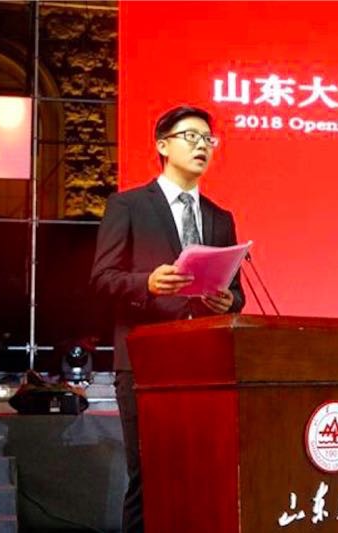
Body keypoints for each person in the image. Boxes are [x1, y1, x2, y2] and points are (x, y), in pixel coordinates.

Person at [90, 105, 245, 533]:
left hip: (206, 364)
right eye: (191, 136)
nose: (202, 146)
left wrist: (227, 301)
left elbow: (237, 293)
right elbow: (102, 280)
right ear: (163, 145)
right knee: (149, 476)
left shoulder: (219, 217)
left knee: (201, 473)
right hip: (146, 363)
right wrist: (147, 283)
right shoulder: (128, 205)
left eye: (208, 139)